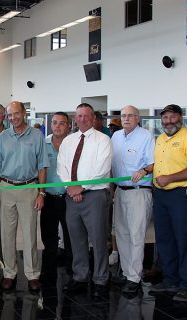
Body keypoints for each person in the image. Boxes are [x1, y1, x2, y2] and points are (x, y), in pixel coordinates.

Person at [149, 104, 187, 302]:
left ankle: (186, 285)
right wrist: (147, 170)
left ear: (180, 118)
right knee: (165, 239)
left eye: (172, 117)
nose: (168, 122)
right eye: (165, 118)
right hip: (162, 195)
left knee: (183, 240)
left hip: (183, 195)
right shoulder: (161, 139)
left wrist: (171, 178)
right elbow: (161, 164)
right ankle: (171, 281)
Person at [0, 101, 49, 291]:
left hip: (29, 188)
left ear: (24, 113)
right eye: (9, 115)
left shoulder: (36, 136)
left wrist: (41, 192)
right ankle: (9, 272)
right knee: (6, 235)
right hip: (6, 188)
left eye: (16, 114)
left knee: (30, 233)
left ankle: (32, 274)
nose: (13, 118)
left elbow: (42, 165)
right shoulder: (3, 137)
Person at [57, 103, 112, 298]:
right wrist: (71, 188)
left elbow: (103, 168)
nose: (82, 119)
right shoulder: (68, 141)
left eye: (86, 116)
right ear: (75, 118)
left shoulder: (103, 140)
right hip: (72, 197)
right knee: (76, 239)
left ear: (93, 118)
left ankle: (101, 279)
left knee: (98, 240)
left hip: (95, 196)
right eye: (79, 116)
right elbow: (61, 166)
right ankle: (80, 276)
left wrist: (82, 187)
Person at [111, 105, 155, 294]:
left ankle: (135, 277)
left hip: (139, 191)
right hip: (120, 191)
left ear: (137, 118)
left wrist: (143, 171)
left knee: (136, 235)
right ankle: (128, 273)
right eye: (123, 116)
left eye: (130, 116)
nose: (126, 118)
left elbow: (154, 163)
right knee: (121, 233)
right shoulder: (116, 137)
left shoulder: (146, 136)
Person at [40, 112, 73, 284]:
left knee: (70, 236)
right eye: (55, 123)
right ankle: (48, 270)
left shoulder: (74, 143)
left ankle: (71, 271)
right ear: (50, 125)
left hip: (69, 197)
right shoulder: (42, 144)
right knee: (49, 236)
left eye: (62, 123)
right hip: (49, 197)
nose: (58, 126)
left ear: (68, 125)